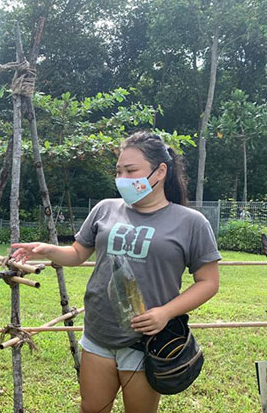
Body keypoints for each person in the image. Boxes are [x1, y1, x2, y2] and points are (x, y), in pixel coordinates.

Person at [12, 131, 220, 413]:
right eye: (119, 171)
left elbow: (208, 282)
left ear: (160, 171)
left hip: (146, 342)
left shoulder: (191, 222)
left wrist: (165, 313)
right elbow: (77, 254)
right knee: (92, 409)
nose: (122, 177)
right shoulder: (104, 209)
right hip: (98, 333)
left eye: (131, 170)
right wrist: (48, 250)